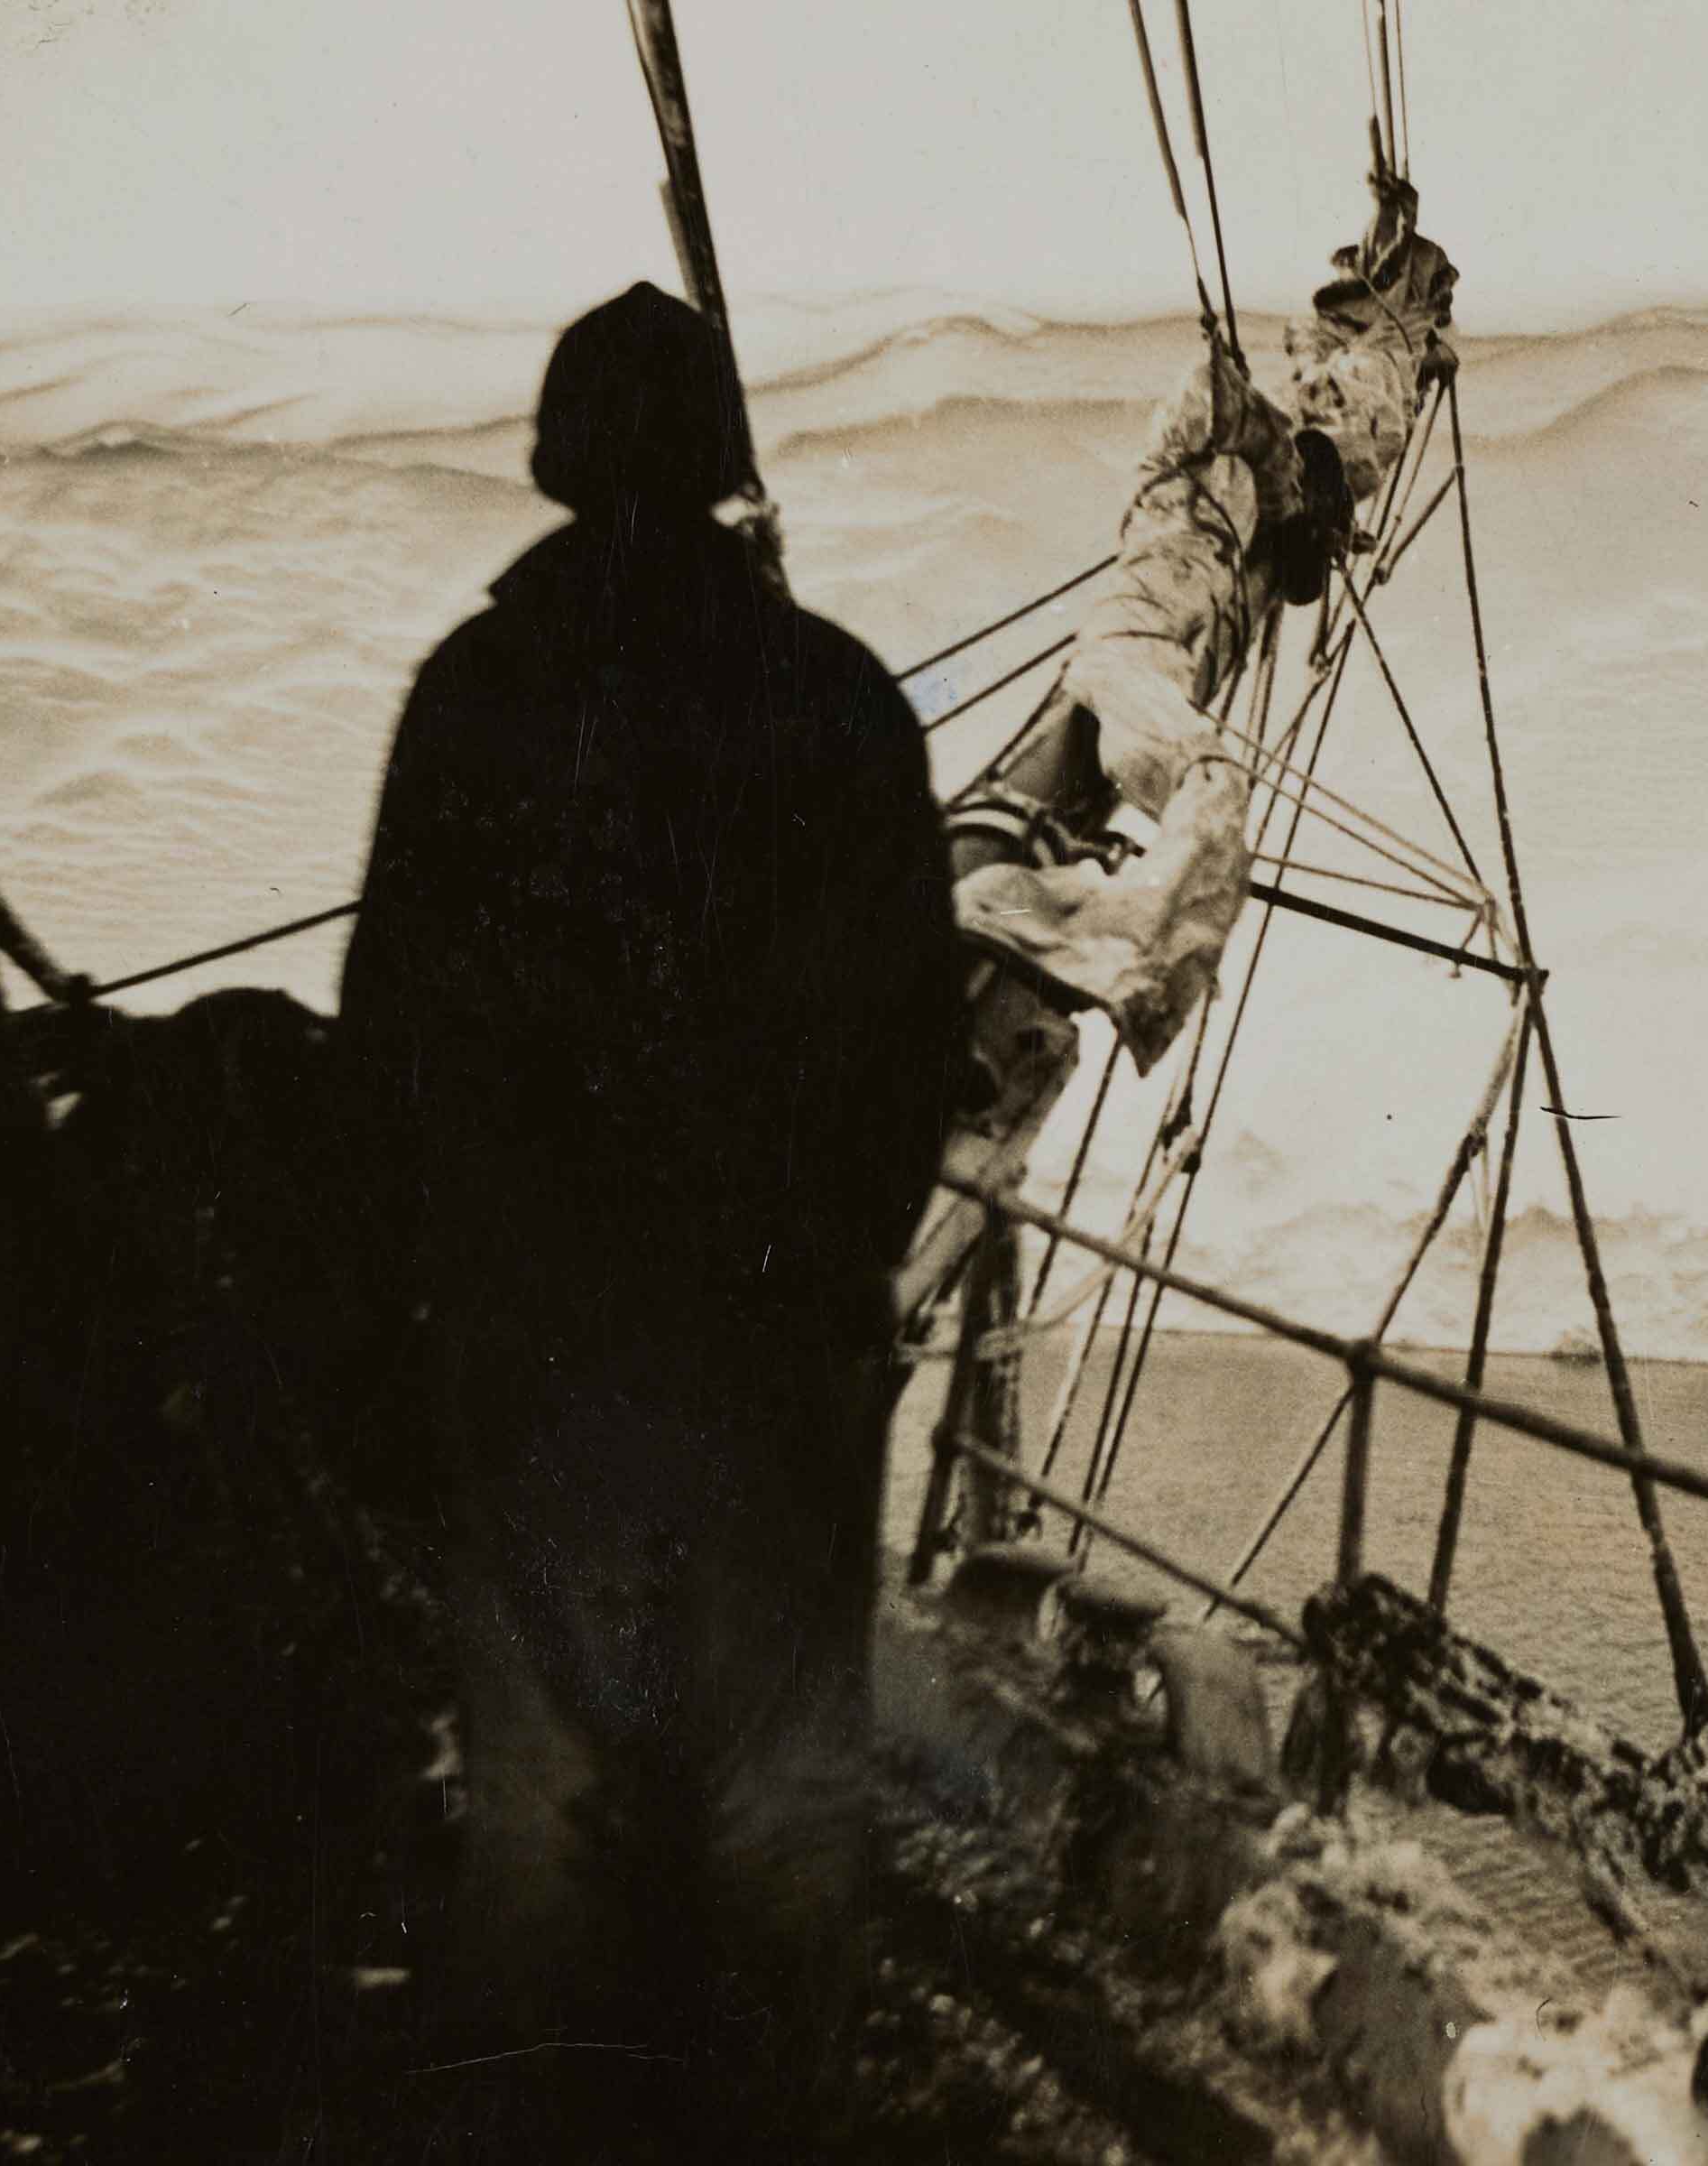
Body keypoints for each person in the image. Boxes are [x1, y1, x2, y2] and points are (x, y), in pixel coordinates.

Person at [335, 282, 960, 2153]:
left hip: (536, 1369)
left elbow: (394, 1052)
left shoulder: (475, 697)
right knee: (782, 1801)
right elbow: (912, 1049)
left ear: (555, 459)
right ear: (717, 464)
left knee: (543, 1812)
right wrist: (834, 1272)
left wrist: (428, 1323)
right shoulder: (842, 701)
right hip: (771, 1363)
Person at [902, 171, 1455, 1313]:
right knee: (1204, 783)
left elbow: (1316, 464)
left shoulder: (1258, 494)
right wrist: (1285, 470)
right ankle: (1115, 953)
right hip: (1132, 665)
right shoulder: (1190, 467)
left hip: (1173, 650)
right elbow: (1210, 403)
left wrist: (1302, 495)